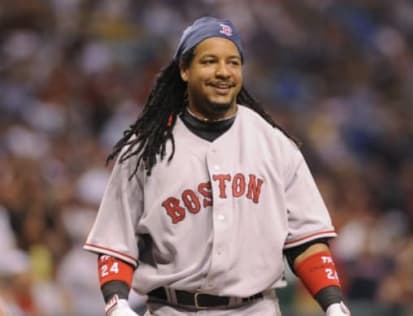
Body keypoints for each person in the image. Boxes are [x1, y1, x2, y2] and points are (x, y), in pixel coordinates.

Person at [84, 16, 351, 316]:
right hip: (171, 309)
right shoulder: (145, 149)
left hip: (256, 309)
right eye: (210, 61)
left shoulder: (275, 144)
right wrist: (117, 302)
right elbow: (115, 244)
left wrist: (332, 302)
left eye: (233, 63)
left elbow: (306, 240)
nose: (223, 72)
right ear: (184, 70)